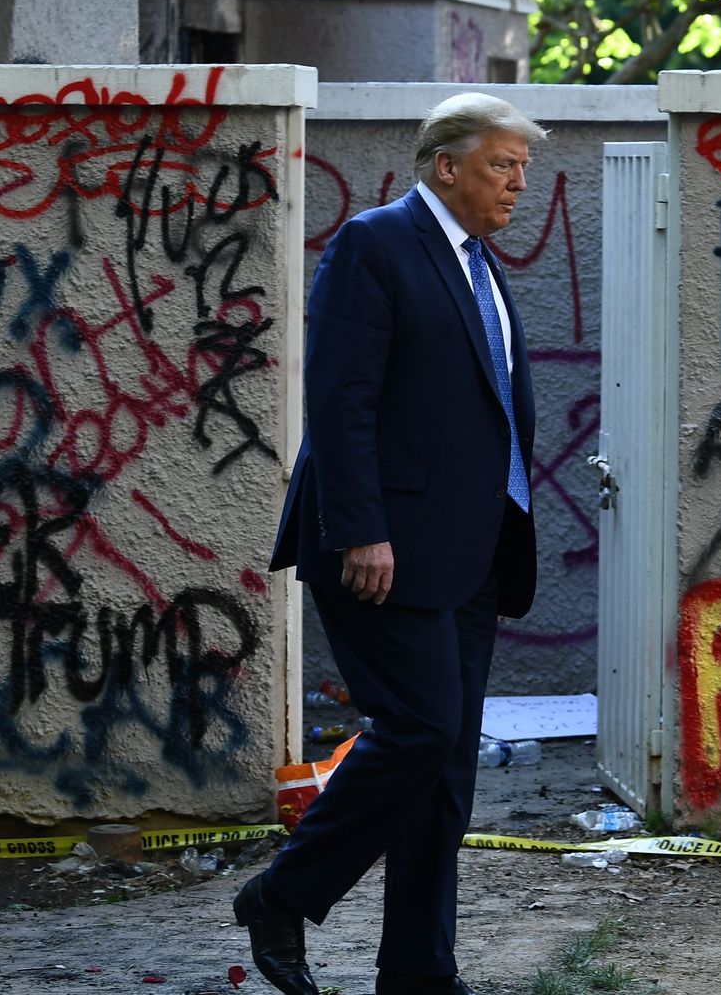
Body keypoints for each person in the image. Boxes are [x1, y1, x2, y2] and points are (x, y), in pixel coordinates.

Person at [236, 94, 543, 995]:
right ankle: (283, 893)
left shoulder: (480, 264)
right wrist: (360, 529)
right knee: (419, 729)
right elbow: (341, 400)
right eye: (501, 165)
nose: (518, 184)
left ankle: (418, 975)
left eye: (524, 169)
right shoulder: (376, 244)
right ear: (444, 165)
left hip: (474, 554)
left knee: (444, 778)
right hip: (382, 551)